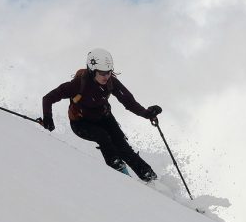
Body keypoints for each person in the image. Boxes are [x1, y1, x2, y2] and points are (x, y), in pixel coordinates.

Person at [38, 48, 161, 182]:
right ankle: (121, 174)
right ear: (92, 70)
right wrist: (48, 118)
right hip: (81, 123)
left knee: (122, 145)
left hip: (104, 117)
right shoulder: (78, 84)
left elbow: (129, 102)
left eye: (108, 72)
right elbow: (48, 98)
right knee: (103, 137)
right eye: (102, 73)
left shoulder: (111, 82)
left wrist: (147, 114)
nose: (106, 76)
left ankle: (151, 178)